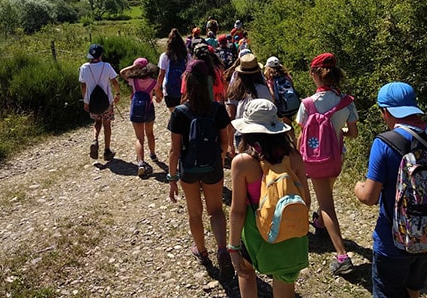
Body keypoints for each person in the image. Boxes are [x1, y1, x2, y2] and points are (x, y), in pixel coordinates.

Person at [354, 82, 427, 298]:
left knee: (387, 291)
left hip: (393, 241)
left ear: (386, 111)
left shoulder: (384, 143)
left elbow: (369, 197)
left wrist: (358, 187)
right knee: (414, 288)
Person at [228, 99, 310, 298]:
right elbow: (305, 200)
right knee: (284, 280)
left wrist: (233, 247)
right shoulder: (293, 157)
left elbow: (238, 210)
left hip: (257, 235)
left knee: (245, 271)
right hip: (290, 232)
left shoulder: (242, 162)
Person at [167, 59, 234, 282]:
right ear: (208, 81)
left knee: (195, 213)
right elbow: (224, 142)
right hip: (212, 166)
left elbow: (174, 151)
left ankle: (202, 252)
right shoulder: (217, 109)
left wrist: (173, 178)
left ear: (186, 82)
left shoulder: (179, 112)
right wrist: (219, 159)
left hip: (189, 169)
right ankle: (223, 249)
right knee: (215, 210)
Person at [295, 52, 359, 276]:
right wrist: (336, 131)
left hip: (314, 160)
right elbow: (352, 133)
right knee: (327, 194)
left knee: (327, 204)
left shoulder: (307, 104)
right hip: (335, 158)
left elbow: (302, 136)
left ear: (315, 74)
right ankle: (320, 223)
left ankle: (342, 256)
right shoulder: (346, 102)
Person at [120, 57, 162, 177]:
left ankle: (141, 163)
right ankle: (153, 154)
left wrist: (134, 67)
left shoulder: (133, 81)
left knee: (139, 138)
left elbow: (122, 72)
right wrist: (157, 97)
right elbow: (159, 97)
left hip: (136, 110)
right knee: (150, 133)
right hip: (148, 109)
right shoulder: (153, 82)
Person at [78, 43, 121, 162]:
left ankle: (94, 140)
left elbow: (83, 86)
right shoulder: (106, 66)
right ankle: (107, 151)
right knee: (107, 125)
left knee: (97, 122)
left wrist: (85, 101)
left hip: (92, 102)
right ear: (101, 55)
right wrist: (117, 94)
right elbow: (115, 82)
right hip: (106, 101)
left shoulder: (84, 67)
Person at [226, 53, 273, 158]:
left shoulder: (235, 90)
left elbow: (231, 117)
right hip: (263, 133)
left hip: (242, 133)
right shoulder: (263, 89)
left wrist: (230, 144)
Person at [156, 28, 191, 112]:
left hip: (168, 89)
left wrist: (158, 90)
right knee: (185, 114)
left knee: (174, 114)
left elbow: (161, 74)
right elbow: (190, 73)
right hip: (184, 89)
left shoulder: (164, 56)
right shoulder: (187, 56)